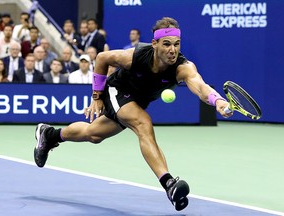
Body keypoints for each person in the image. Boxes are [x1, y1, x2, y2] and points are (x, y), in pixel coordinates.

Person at [33, 17, 232, 211]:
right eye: (166, 44)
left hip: (136, 102)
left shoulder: (183, 68)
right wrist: (96, 96)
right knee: (143, 124)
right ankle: (168, 183)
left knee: (93, 134)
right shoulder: (136, 56)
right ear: (155, 44)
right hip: (116, 90)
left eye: (177, 44)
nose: (172, 50)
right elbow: (102, 58)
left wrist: (218, 101)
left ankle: (50, 135)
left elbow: (200, 87)